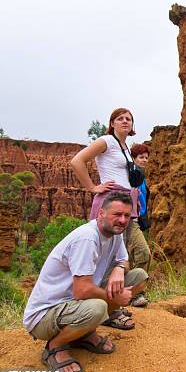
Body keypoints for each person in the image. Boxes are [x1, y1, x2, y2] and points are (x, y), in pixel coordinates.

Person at [23, 192, 149, 372]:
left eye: (126, 216)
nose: (122, 220)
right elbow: (81, 291)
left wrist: (119, 269)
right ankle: (54, 347)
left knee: (139, 277)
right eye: (117, 214)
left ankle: (84, 333)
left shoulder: (114, 234)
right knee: (97, 307)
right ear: (101, 213)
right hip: (44, 316)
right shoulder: (87, 238)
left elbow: (124, 261)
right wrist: (118, 298)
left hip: (73, 304)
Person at [70, 108, 151, 315]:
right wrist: (92, 187)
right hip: (110, 203)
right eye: (120, 118)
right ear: (112, 123)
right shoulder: (106, 140)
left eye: (129, 119)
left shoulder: (125, 147)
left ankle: (126, 297)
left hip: (127, 205)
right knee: (106, 256)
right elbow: (77, 161)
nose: (125, 121)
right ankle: (106, 307)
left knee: (141, 251)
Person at [129, 143, 150, 307]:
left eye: (146, 158)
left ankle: (133, 293)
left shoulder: (141, 176)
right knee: (143, 252)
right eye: (141, 157)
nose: (144, 160)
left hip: (135, 221)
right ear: (134, 158)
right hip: (126, 220)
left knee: (136, 255)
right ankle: (135, 294)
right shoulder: (130, 174)